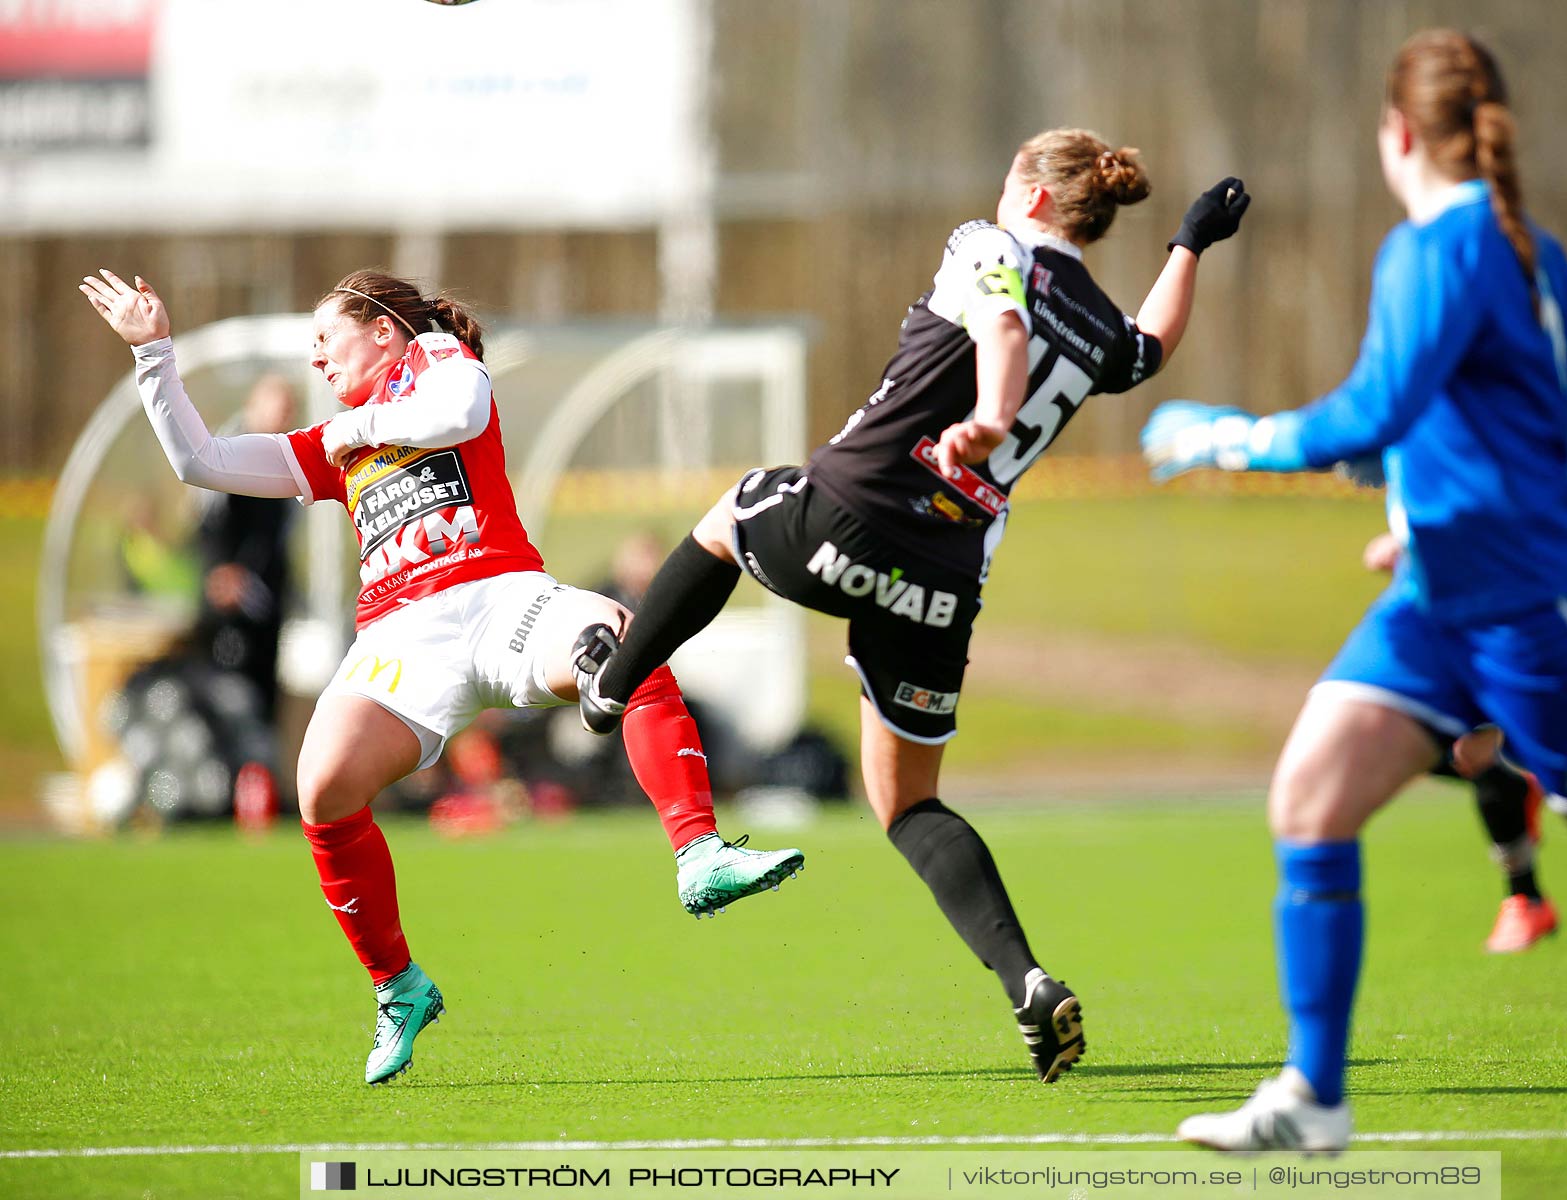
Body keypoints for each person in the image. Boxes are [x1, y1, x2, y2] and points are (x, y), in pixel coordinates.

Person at [1140, 30, 1567, 1149]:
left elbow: (1373, 411)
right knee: (1310, 800)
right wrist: (1460, 443)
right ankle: (1315, 1098)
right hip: (1440, 597)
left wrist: (1226, 436)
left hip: (1540, 605)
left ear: (1397, 134)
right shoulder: (1519, 246)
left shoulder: (1434, 247)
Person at [569, 129, 1250, 1082]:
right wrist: (1190, 243)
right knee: (905, 802)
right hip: (943, 579)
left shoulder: (990, 244)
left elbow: (1006, 328)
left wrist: (990, 417)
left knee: (731, 513)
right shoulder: (1099, 322)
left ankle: (610, 690)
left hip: (851, 517)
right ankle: (1029, 982)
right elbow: (1149, 352)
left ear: (1037, 196)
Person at [79, 267, 806, 1085]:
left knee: (625, 639)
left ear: (382, 329)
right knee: (321, 788)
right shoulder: (340, 437)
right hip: (400, 639)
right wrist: (154, 355)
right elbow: (200, 459)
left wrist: (356, 432)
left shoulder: (438, 359)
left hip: (500, 602)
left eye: (326, 337)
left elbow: (458, 412)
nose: (316, 360)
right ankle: (399, 987)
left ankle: (698, 853)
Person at [1356, 417, 1567, 953]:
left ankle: (1527, 886)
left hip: (1529, 610)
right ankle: (1525, 886)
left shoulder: (1539, 392)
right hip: (1446, 609)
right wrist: (1406, 544)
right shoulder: (1425, 396)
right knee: (1391, 737)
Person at [195, 373, 300, 725]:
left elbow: (278, 537)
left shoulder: (284, 462)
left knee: (263, 699)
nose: (281, 418)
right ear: (252, 407)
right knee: (228, 701)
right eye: (275, 408)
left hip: (265, 601)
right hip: (229, 606)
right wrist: (219, 570)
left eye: (288, 412)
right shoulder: (228, 455)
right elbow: (207, 523)